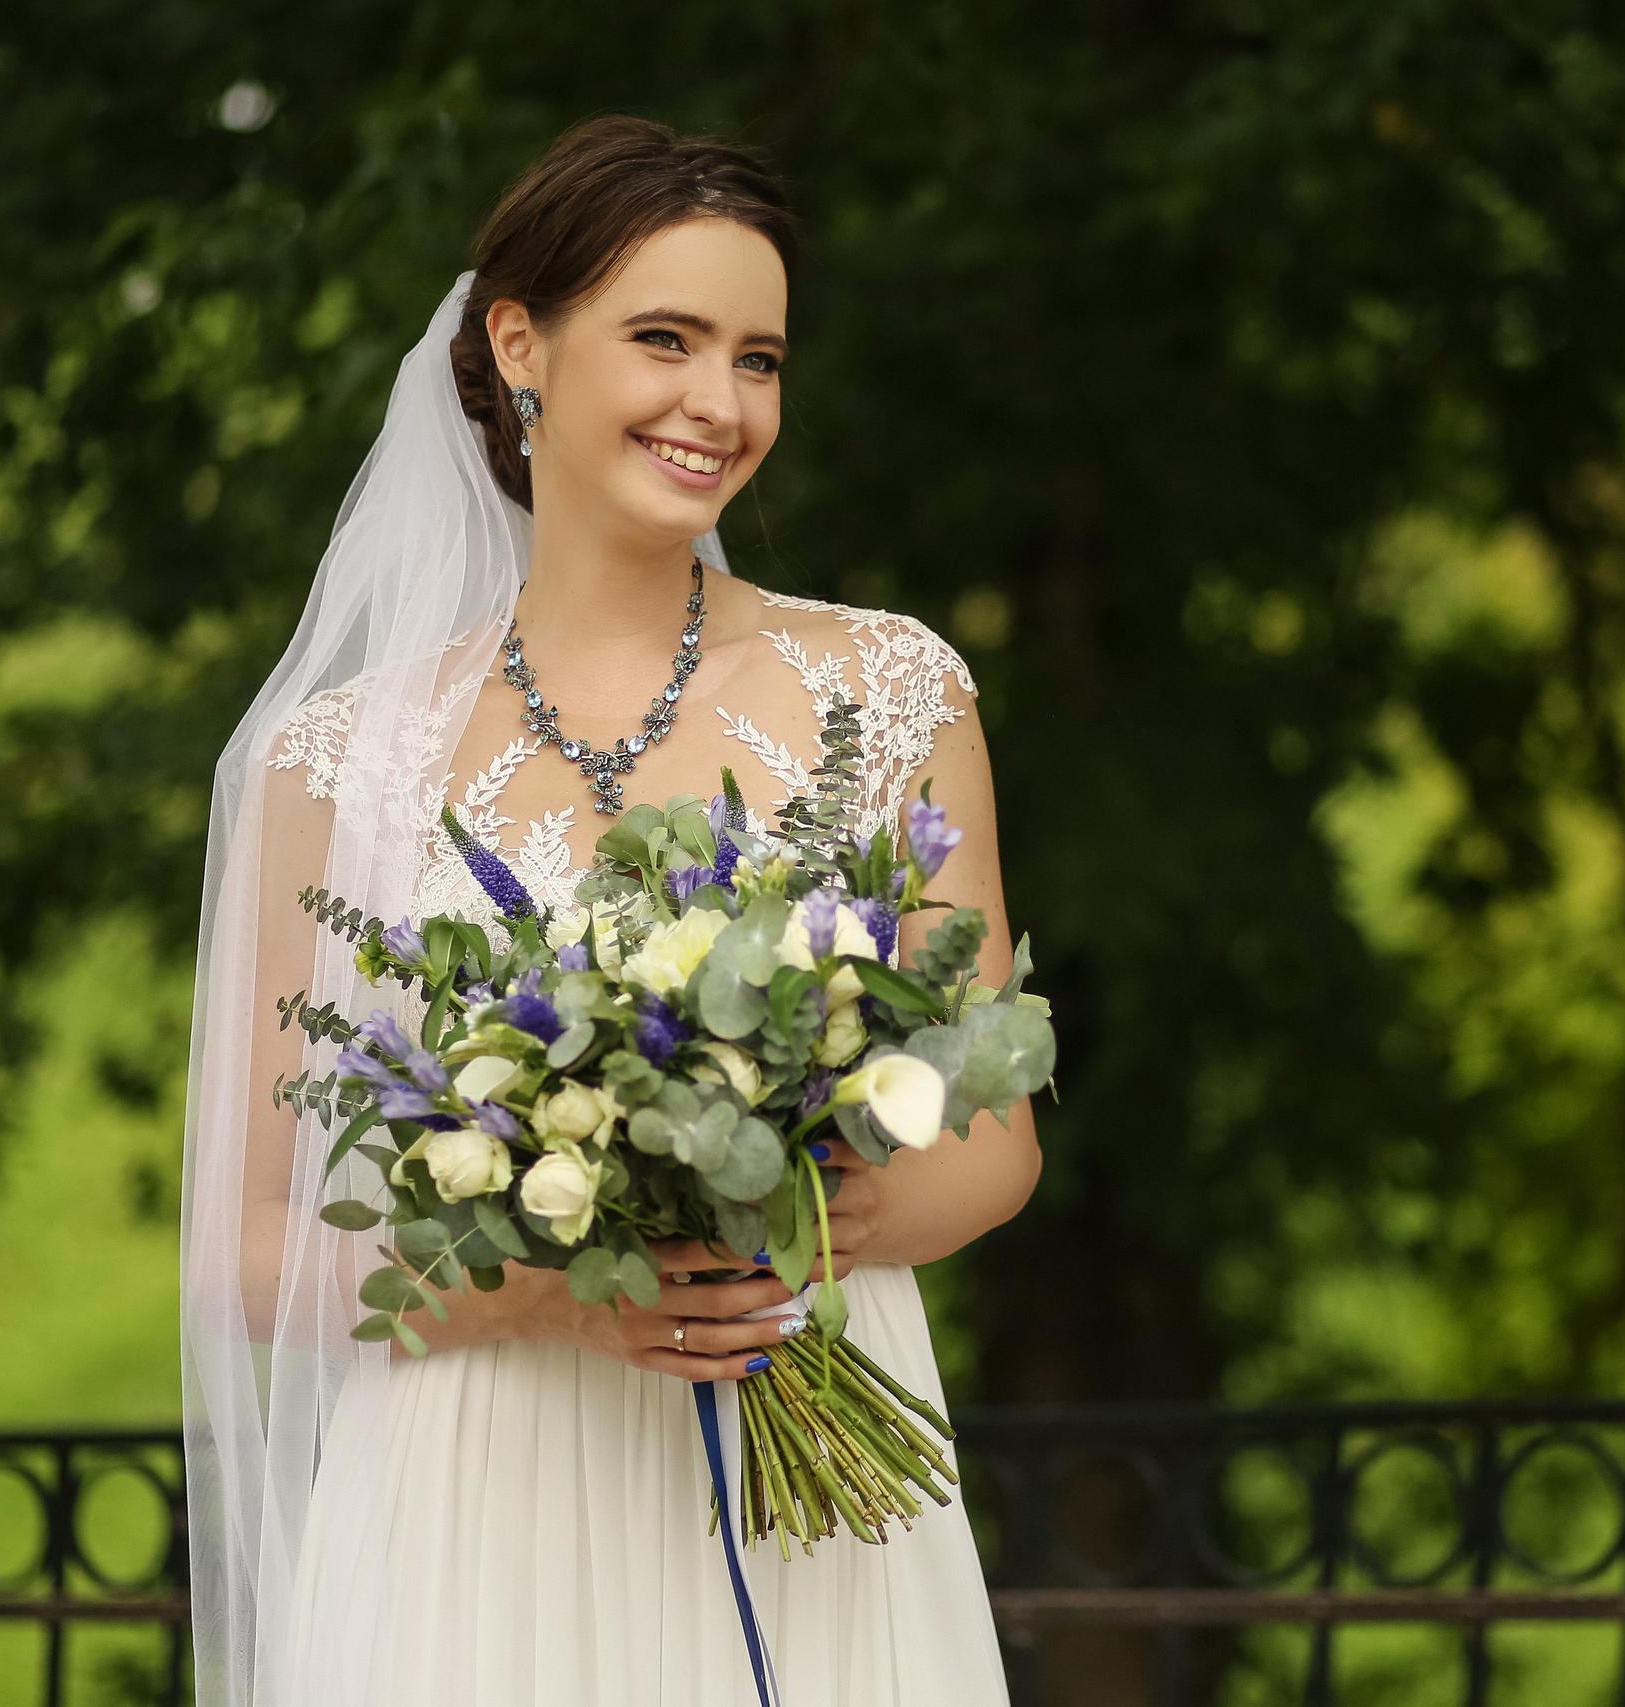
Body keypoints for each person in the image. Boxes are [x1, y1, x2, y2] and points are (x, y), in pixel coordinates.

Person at [180, 116, 1039, 1707]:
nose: (720, 403)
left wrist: (762, 1209)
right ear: (523, 346)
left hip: (814, 1471)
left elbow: (995, 1144)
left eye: (759, 357)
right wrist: (558, 1285)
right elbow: (244, 1244)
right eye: (666, 339)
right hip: (472, 1491)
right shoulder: (338, 759)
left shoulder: (893, 688)